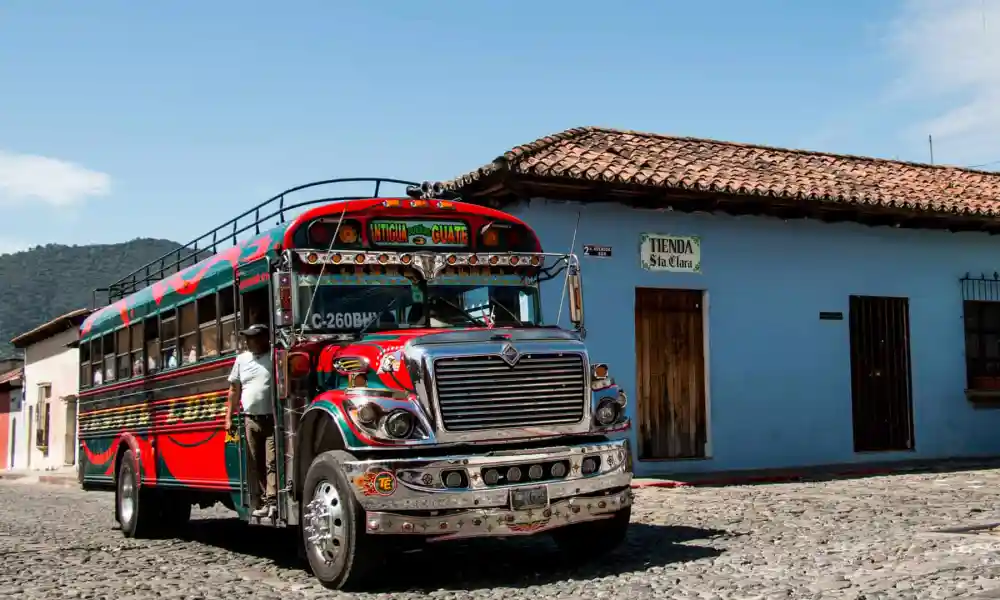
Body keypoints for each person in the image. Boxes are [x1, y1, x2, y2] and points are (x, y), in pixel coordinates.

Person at [224, 323, 276, 519]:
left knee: (271, 461)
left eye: (253, 337)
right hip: (250, 419)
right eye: (247, 338)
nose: (248, 341)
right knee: (255, 462)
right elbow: (234, 389)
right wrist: (228, 417)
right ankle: (262, 499)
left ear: (264, 338)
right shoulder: (242, 360)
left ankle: (272, 501)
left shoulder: (273, 356)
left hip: (271, 419)